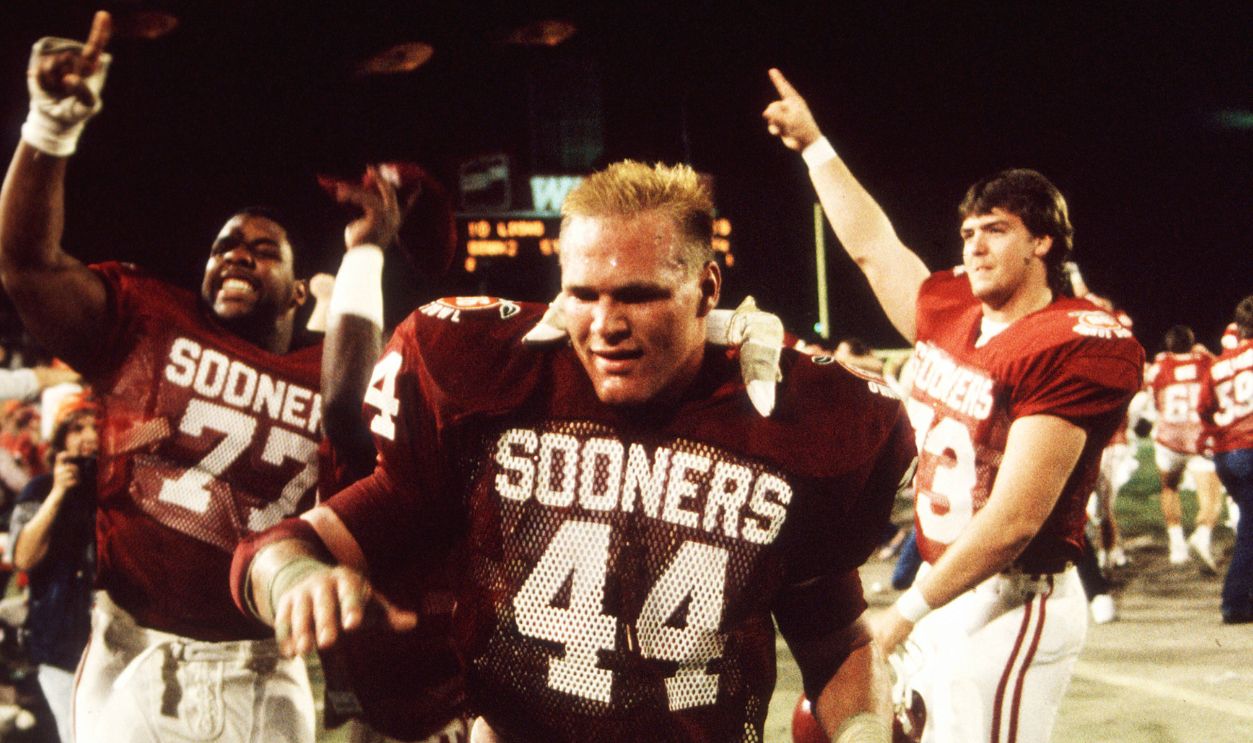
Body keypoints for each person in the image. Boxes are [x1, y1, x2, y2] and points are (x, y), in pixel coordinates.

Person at [232, 160, 916, 743]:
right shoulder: (495, 383)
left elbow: (837, 642)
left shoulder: (785, 417)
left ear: (706, 288)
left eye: (639, 296)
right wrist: (294, 581)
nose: (605, 325)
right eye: (582, 294)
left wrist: (861, 732)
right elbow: (286, 544)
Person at [0, 12, 398, 742]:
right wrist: (50, 128)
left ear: (301, 292)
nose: (236, 255)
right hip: (136, 653)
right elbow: (26, 262)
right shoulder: (147, 322)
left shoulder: (325, 370)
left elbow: (353, 407)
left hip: (266, 655)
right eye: (222, 246)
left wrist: (368, 255)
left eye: (260, 249)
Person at [763, 68, 1143, 743]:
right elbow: (872, 249)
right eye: (967, 232)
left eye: (994, 230)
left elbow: (1015, 520)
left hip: (1010, 597)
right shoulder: (950, 310)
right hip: (946, 587)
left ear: (1042, 241)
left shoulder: (1071, 341)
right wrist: (814, 145)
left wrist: (905, 612)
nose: (972, 244)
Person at [8, 393, 99, 743]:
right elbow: (24, 557)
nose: (89, 437)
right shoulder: (38, 489)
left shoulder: (117, 488)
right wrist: (58, 493)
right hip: (61, 644)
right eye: (77, 428)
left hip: (115, 639)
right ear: (60, 438)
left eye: (96, 427)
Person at [1145, 325, 1222, 570]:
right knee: (1210, 496)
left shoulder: (1159, 367)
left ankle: (1176, 545)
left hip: (1170, 439)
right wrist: (1208, 354)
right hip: (1200, 437)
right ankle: (1202, 535)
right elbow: (1223, 373)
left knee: (1169, 487)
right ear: (1192, 343)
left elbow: (1153, 399)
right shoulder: (1205, 364)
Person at [1198, 296, 1253, 623]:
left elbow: (1204, 408)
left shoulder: (1219, 362)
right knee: (1250, 528)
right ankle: (1234, 601)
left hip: (1226, 453)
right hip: (1249, 448)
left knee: (1249, 522)